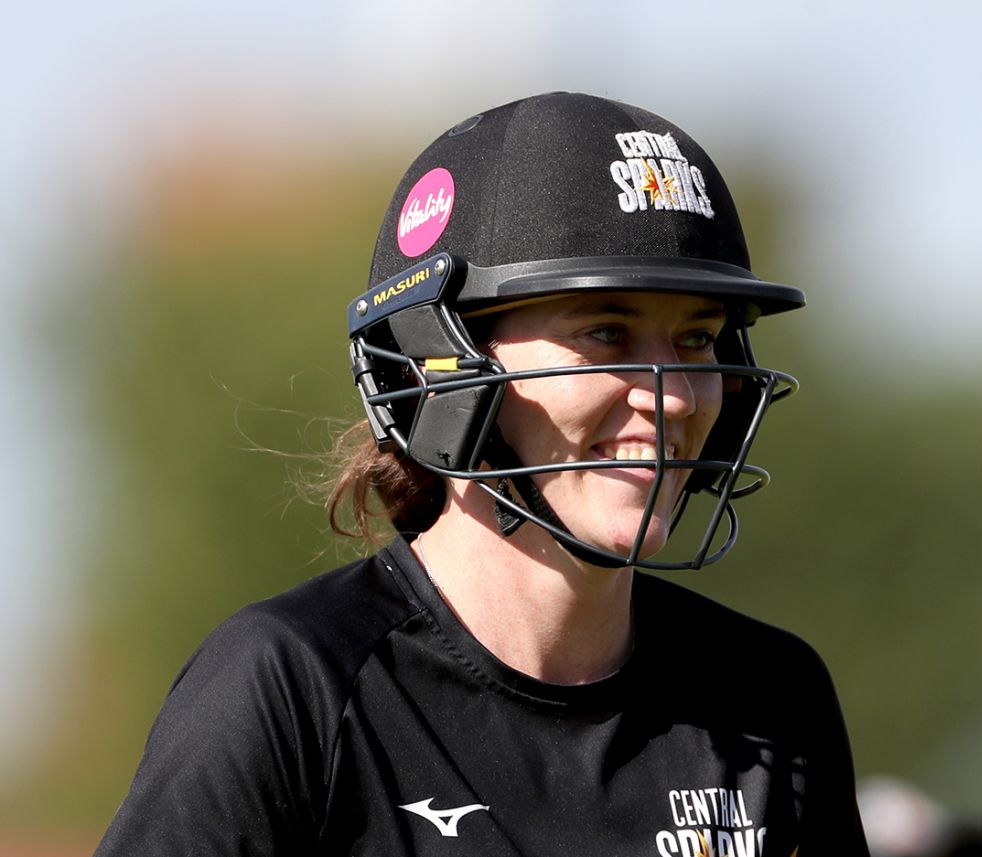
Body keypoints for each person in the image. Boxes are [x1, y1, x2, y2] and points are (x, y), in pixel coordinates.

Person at [95, 92, 869, 856]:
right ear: (445, 368)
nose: (667, 396)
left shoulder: (772, 699)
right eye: (607, 331)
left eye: (697, 339)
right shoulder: (293, 685)